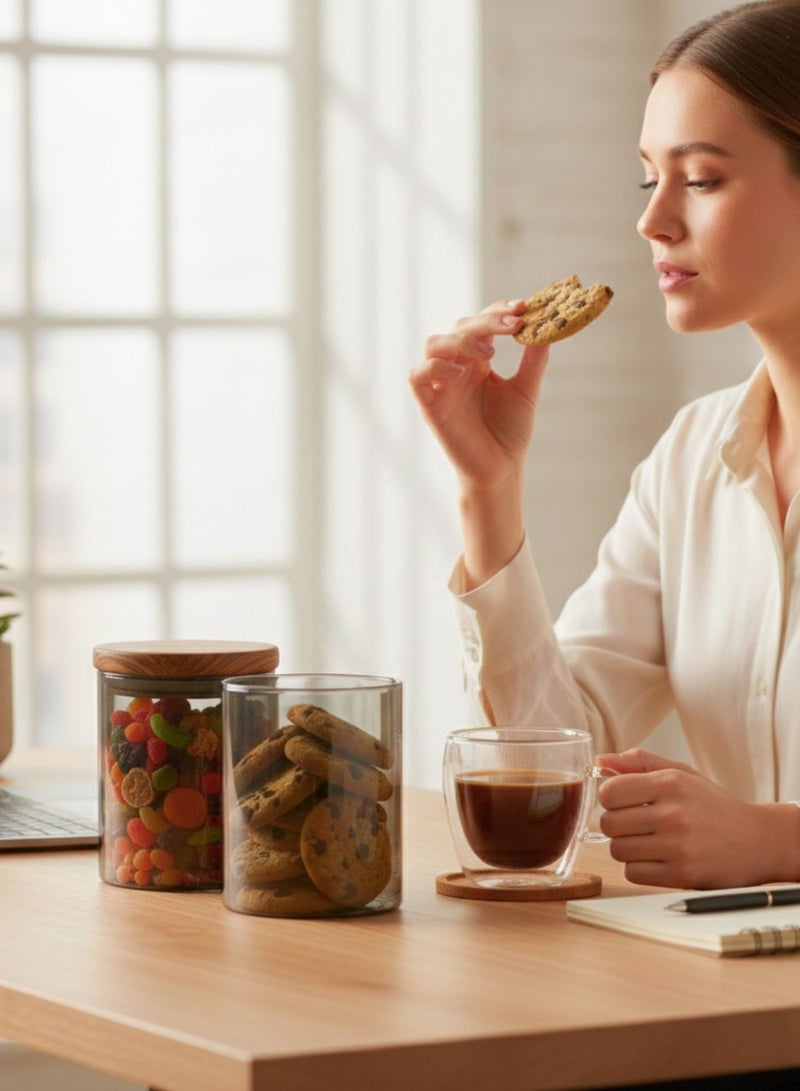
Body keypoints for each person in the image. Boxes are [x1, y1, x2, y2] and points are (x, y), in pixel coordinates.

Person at [408, 0, 800, 891]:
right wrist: (489, 491)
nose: (653, 220)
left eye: (699, 179)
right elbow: (558, 758)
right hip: (733, 999)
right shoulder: (693, 458)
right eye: (646, 180)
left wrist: (782, 845)